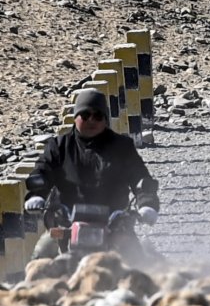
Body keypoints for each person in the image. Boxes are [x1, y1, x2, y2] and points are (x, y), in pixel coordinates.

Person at [25, 88, 160, 258]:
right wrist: (36, 195)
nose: (91, 120)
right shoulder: (59, 146)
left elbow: (140, 177)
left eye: (98, 116)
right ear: (76, 117)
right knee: (41, 254)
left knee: (137, 261)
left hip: (114, 224)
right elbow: (43, 170)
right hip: (67, 222)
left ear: (106, 119)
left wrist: (147, 204)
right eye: (85, 115)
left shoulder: (122, 146)